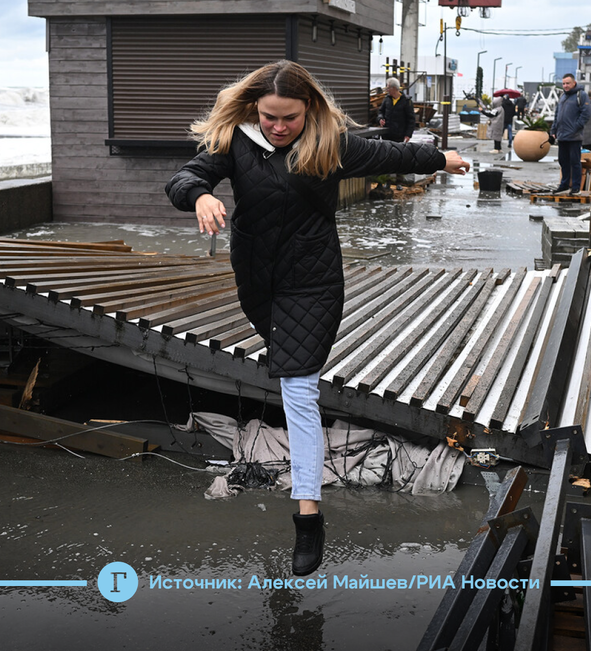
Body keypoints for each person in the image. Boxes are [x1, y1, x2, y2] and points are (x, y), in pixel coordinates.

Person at [165, 60, 470, 577]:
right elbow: (186, 176)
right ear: (254, 109)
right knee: (291, 380)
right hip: (259, 285)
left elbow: (389, 153)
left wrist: (441, 157)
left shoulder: (329, 145)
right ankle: (308, 505)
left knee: (298, 393)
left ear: (309, 111)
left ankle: (308, 518)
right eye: (269, 117)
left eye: (290, 118)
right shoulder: (233, 142)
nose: (279, 127)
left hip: (314, 283)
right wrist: (199, 196)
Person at [549, 73, 591, 194]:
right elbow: (557, 115)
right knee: (563, 162)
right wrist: (553, 132)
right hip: (562, 136)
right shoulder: (563, 96)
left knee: (575, 162)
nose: (565, 86)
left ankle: (576, 187)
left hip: (574, 137)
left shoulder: (581, 95)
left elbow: (586, 113)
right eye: (563, 83)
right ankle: (564, 185)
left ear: (574, 83)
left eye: (568, 83)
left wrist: (576, 127)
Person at [377, 77, 416, 142]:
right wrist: (380, 119)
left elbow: (411, 119)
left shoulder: (406, 101)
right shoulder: (387, 99)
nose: (387, 90)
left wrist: (408, 134)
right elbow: (381, 112)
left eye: (388, 88)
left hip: (399, 136)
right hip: (386, 134)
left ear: (394, 88)